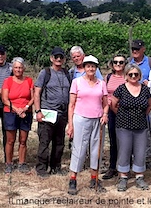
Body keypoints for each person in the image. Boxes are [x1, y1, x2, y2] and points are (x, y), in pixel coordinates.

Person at [66, 55, 109, 195]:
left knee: (96, 150)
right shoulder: (77, 82)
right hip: (81, 119)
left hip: (97, 120)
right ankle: (73, 179)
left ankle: (94, 179)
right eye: (88, 66)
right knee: (79, 149)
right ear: (84, 68)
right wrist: (70, 125)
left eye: (93, 66)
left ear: (96, 68)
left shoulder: (101, 83)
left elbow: (105, 103)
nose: (91, 68)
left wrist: (104, 114)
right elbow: (71, 105)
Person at [111, 64, 151, 192]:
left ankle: (139, 176)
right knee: (124, 150)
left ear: (140, 76)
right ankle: (123, 177)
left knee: (140, 151)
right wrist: (122, 115)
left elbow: (150, 105)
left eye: (136, 74)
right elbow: (113, 104)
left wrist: (141, 115)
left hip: (140, 125)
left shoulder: (145, 89)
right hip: (123, 125)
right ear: (126, 76)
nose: (133, 76)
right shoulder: (121, 89)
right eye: (131, 74)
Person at [34, 47, 71, 177]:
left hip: (62, 114)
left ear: (64, 59)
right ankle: (41, 169)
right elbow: (37, 93)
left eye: (61, 57)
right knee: (44, 142)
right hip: (47, 113)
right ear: (51, 58)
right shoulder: (45, 73)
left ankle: (56, 166)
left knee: (59, 142)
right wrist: (38, 111)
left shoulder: (67, 74)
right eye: (56, 57)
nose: (59, 59)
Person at [1, 57, 34, 174]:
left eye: (20, 67)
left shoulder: (29, 80)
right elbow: (5, 99)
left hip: (26, 112)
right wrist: (16, 109)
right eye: (16, 67)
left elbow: (33, 97)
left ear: (24, 68)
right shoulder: (8, 81)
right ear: (12, 68)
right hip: (10, 112)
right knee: (10, 140)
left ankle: (22, 163)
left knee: (23, 140)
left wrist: (25, 108)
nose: (18, 70)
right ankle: (9, 163)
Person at [102, 54, 127, 180]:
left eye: (121, 62)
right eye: (116, 62)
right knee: (113, 140)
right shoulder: (108, 77)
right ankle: (112, 167)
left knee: (125, 140)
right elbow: (105, 94)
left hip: (125, 112)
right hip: (111, 112)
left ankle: (125, 167)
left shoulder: (128, 76)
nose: (118, 64)